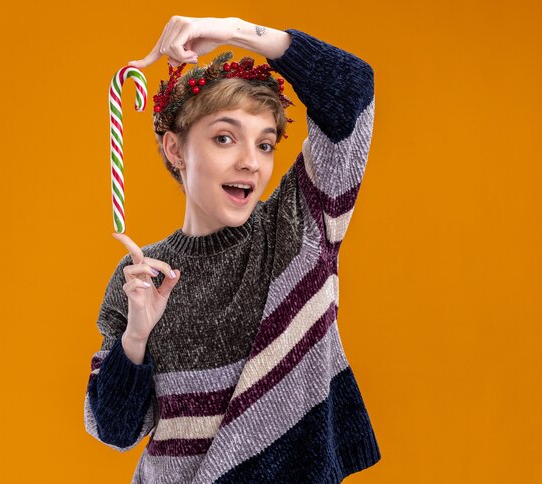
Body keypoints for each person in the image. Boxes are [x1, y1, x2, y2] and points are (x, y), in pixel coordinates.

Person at [84, 15, 381, 483]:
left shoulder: (299, 225)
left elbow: (353, 90)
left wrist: (233, 30)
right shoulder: (144, 273)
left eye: (265, 145)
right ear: (175, 149)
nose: (249, 161)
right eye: (225, 138)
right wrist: (135, 338)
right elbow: (115, 430)